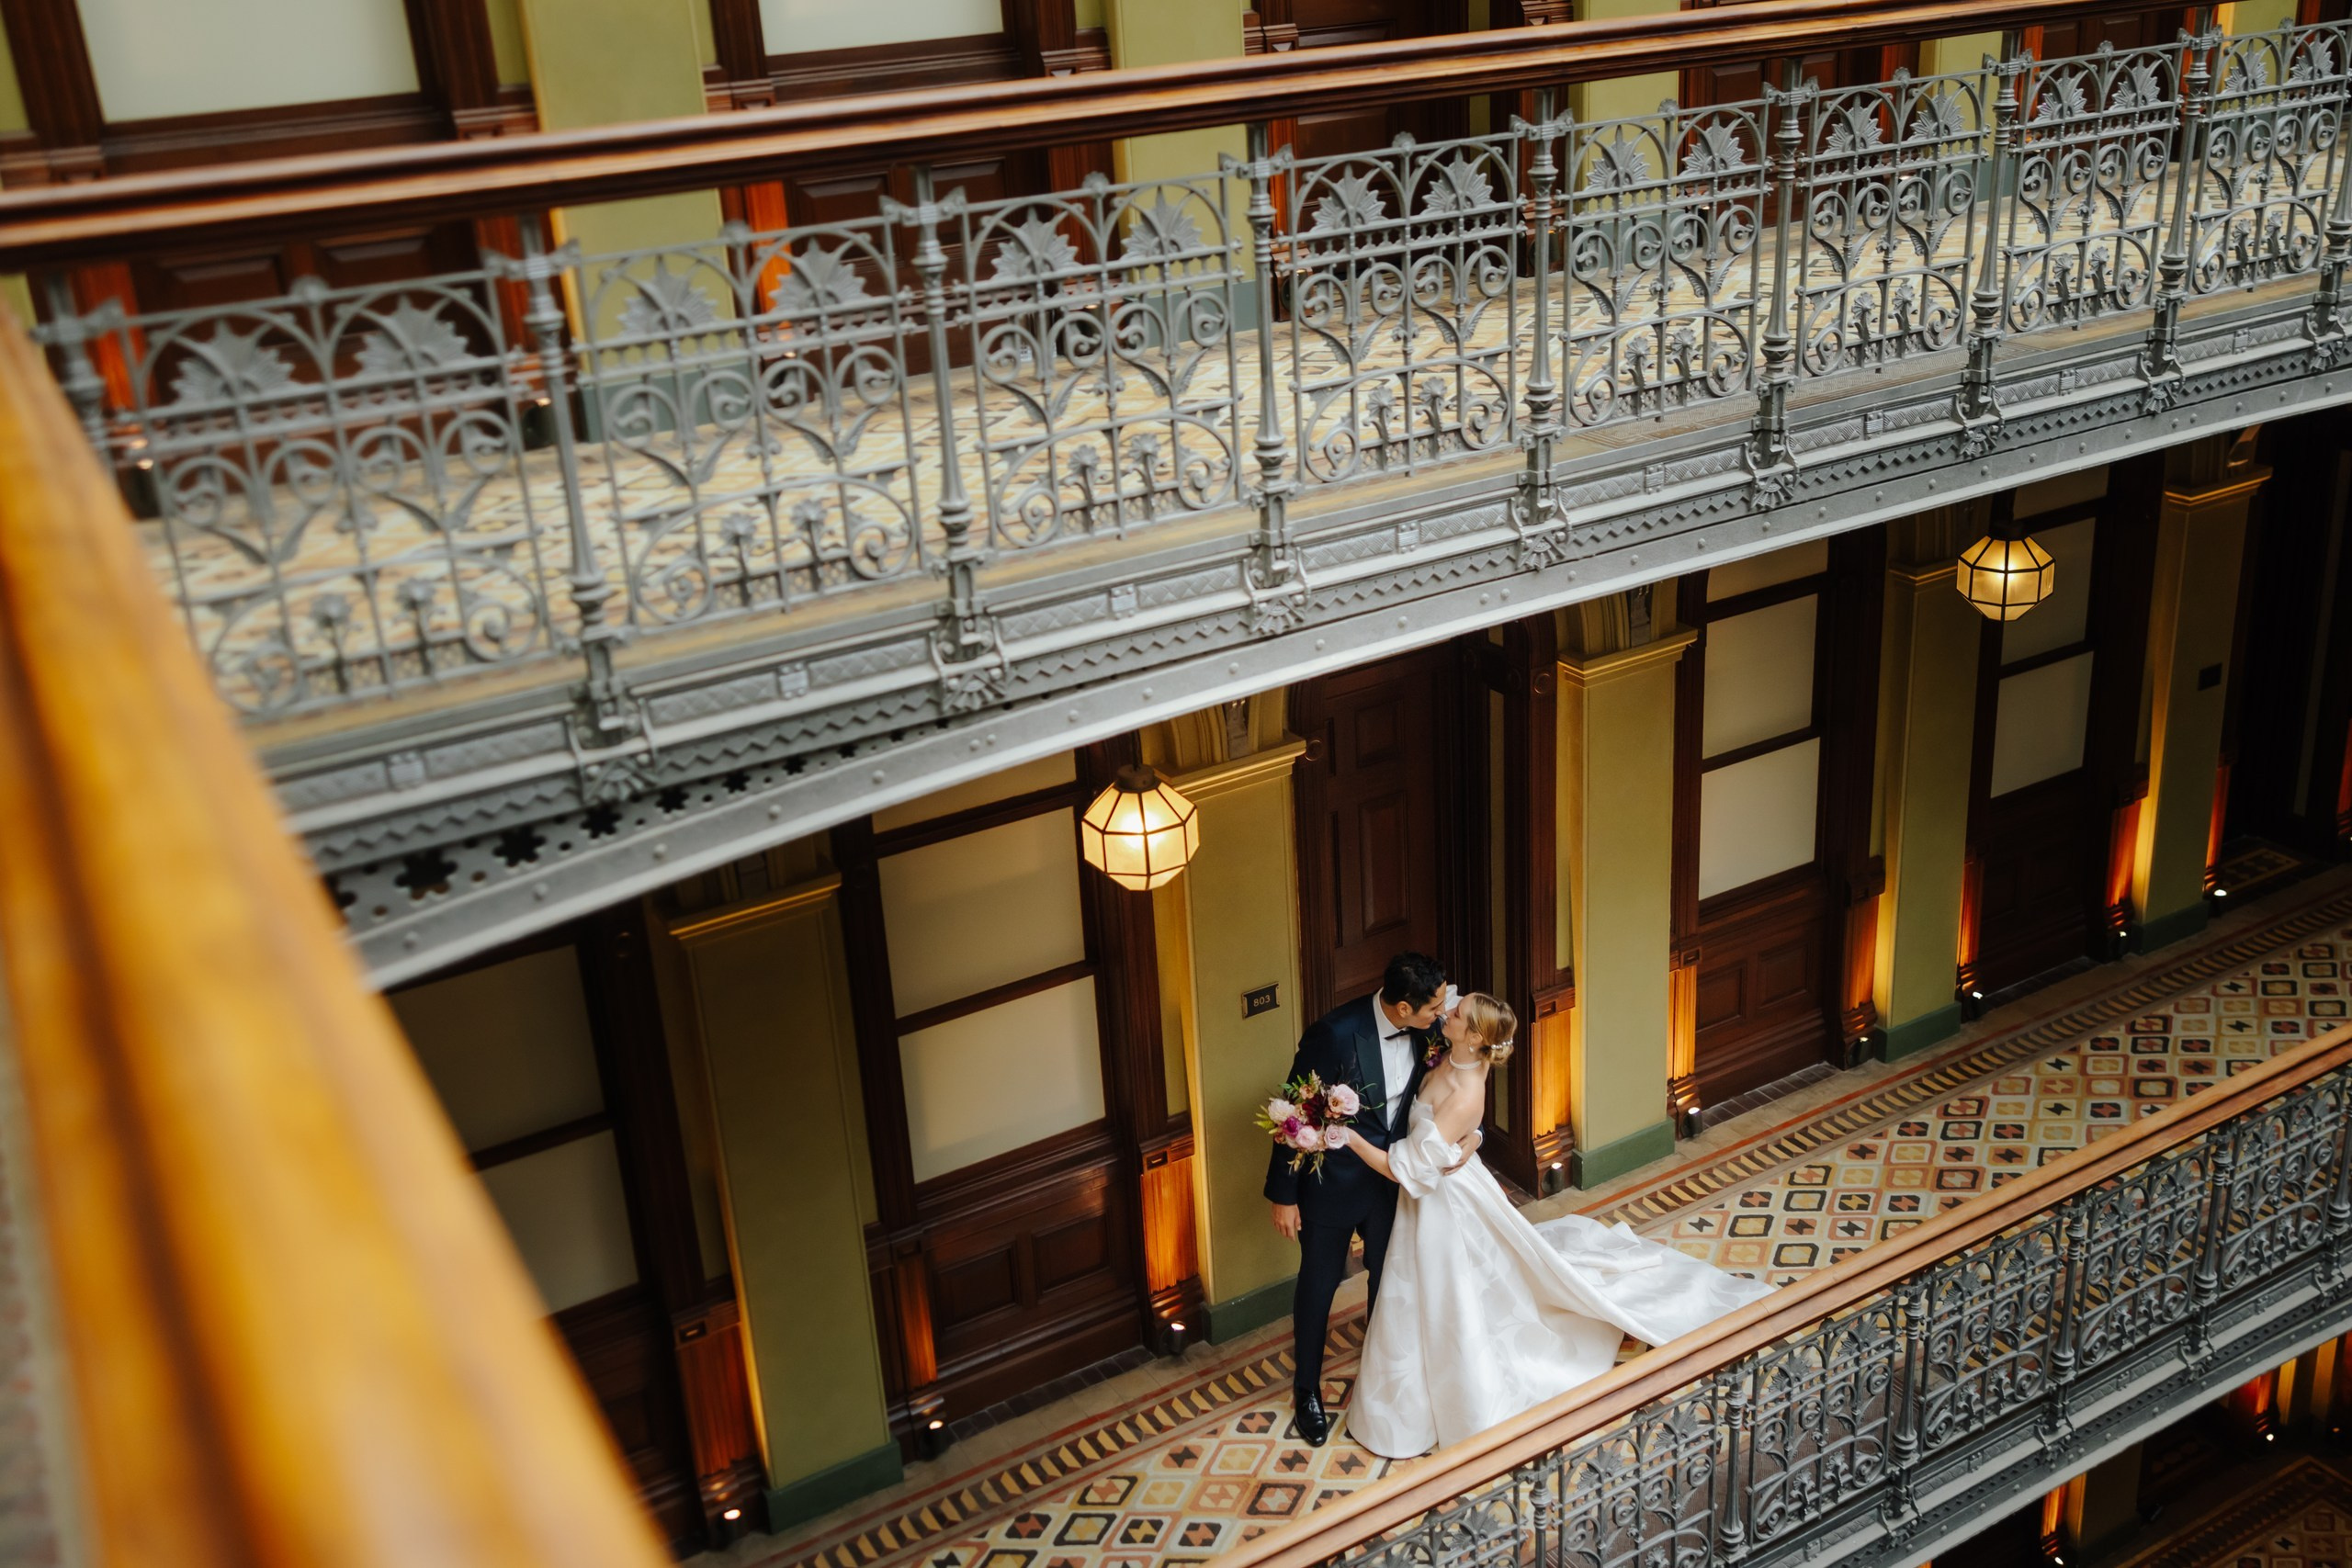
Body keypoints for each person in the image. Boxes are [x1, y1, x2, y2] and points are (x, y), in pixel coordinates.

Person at [1342, 992, 1775, 1459]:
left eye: (1457, 1013)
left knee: (1450, 1288)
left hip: (1437, 1198)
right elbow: (1457, 1097)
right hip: (1447, 1185)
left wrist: (1346, 1137)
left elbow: (1406, 1168)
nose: (1446, 1011)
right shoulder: (1463, 1051)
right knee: (1449, 1284)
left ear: (1472, 1035)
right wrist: (1474, 1138)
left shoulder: (1466, 1092)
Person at [1265, 952, 1469, 1447]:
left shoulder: (1430, 1030)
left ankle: (1380, 1372)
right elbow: (1296, 1114)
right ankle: (1306, 1389)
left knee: (1390, 1275)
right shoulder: (1334, 1034)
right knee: (1319, 1284)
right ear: (1402, 1008)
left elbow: (1460, 1076)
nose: (1441, 1014)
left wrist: (1467, 1138)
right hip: (1330, 1187)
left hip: (1391, 1184)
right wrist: (1284, 1195)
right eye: (1432, 1008)